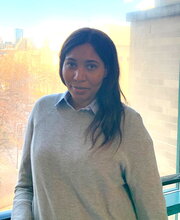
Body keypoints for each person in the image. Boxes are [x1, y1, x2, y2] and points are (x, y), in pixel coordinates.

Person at [11, 27, 167, 220]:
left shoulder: (128, 123)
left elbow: (151, 207)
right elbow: (25, 186)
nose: (78, 76)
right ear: (62, 65)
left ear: (106, 71)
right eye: (71, 64)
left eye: (91, 66)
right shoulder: (42, 110)